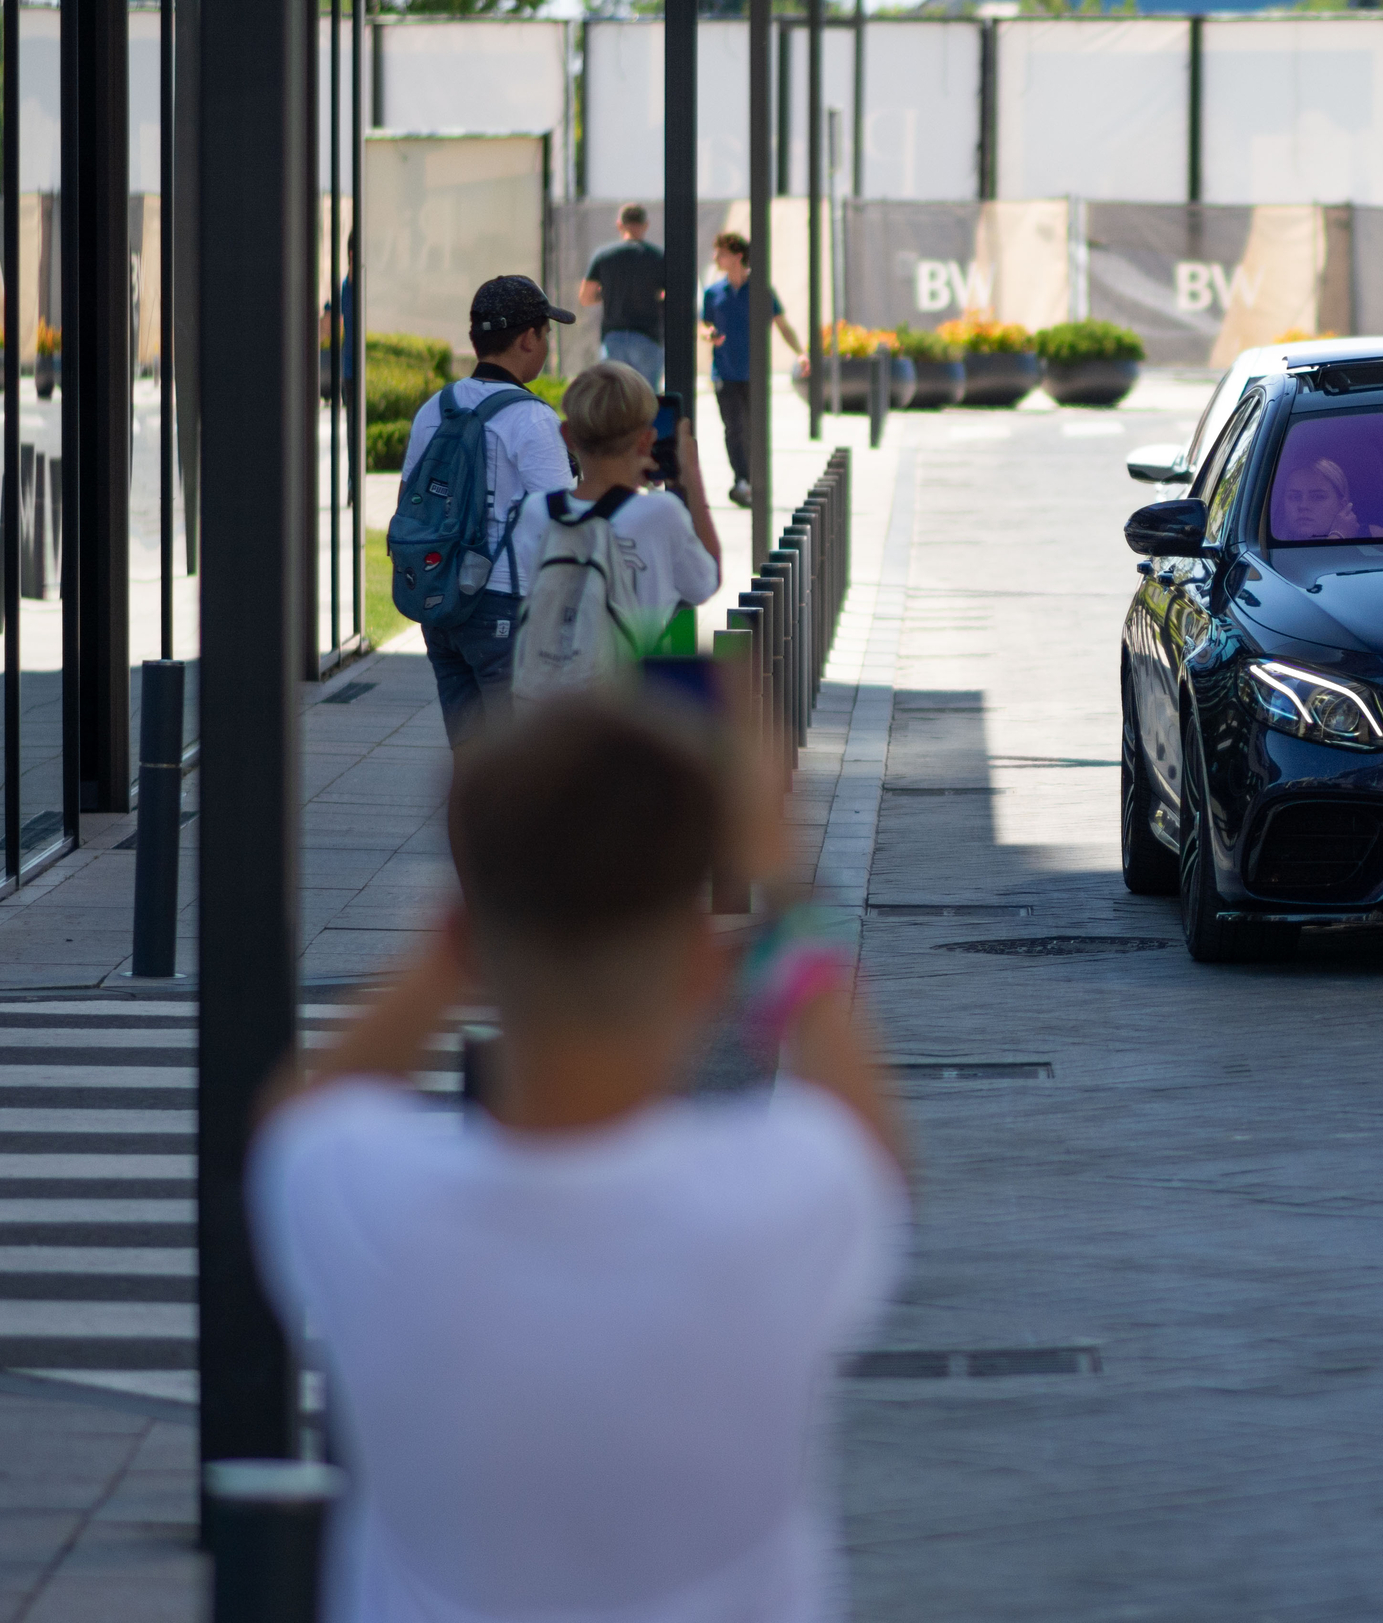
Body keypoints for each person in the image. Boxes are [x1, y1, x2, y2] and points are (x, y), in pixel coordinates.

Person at [250, 696, 909, 1623]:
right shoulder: (784, 1205)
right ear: (702, 970)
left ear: (465, 942)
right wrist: (777, 874)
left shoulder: (364, 1198)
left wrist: (474, 920)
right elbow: (864, 1127)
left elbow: (302, 1111)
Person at [404, 274, 577, 745]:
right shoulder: (532, 417)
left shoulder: (435, 408)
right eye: (546, 332)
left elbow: (409, 498)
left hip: (441, 606)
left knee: (471, 761)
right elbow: (565, 520)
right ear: (527, 338)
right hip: (504, 605)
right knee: (514, 765)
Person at [552, 359, 723, 657]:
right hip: (633, 694)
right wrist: (692, 479)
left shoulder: (535, 512)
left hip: (557, 694)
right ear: (647, 439)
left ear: (567, 436)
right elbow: (705, 584)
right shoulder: (660, 513)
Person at [702, 231, 808, 508]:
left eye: (721, 252)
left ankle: (753, 480)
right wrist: (708, 334)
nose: (716, 258)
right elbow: (703, 325)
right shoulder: (712, 293)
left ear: (737, 256)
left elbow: (782, 325)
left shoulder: (761, 290)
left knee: (753, 428)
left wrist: (800, 353)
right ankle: (742, 480)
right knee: (733, 428)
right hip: (724, 371)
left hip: (755, 373)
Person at [580, 204, 668, 390]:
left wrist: (608, 294)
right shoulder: (657, 257)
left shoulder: (604, 256)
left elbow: (586, 297)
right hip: (648, 336)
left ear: (620, 225)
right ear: (645, 225)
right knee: (647, 400)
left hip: (614, 336)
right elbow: (670, 296)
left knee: (614, 399)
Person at [1273, 458, 1383, 540]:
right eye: (1294, 497)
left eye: (1317, 497)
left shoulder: (1374, 536)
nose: (1303, 505)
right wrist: (1338, 536)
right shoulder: (1263, 546)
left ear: (1343, 505)